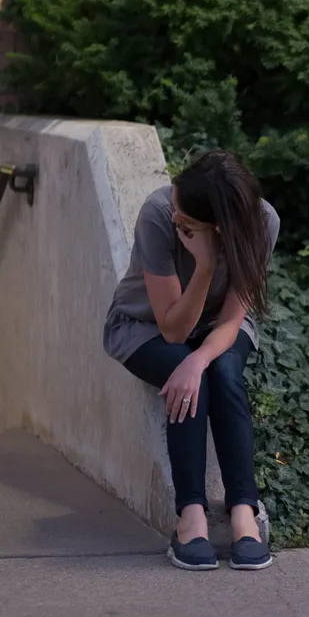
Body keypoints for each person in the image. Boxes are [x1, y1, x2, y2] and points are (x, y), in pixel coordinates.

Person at [103, 150, 279, 572]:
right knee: (189, 381)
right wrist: (204, 264)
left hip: (219, 327)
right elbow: (173, 330)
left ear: (219, 227)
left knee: (224, 371)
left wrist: (197, 360)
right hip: (143, 326)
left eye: (188, 221)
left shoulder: (262, 222)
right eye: (177, 206)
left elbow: (234, 318)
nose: (175, 214)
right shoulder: (158, 214)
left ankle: (243, 514)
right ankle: (191, 517)